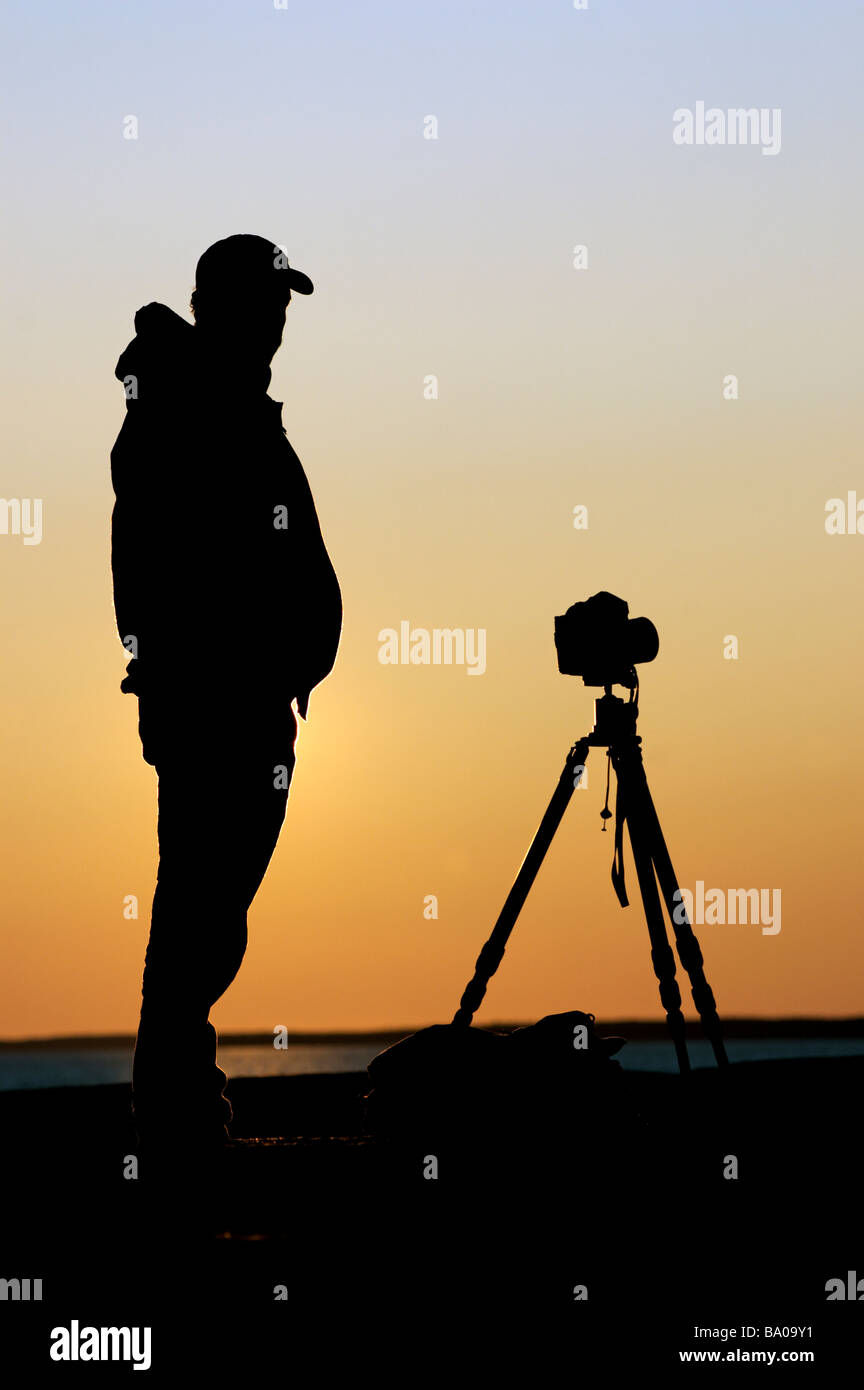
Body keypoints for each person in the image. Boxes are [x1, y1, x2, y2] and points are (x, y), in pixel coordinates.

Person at [110, 234, 342, 1149]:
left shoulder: (232, 404)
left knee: (209, 908)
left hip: (250, 704)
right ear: (217, 306)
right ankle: (172, 1111)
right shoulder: (185, 407)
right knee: (198, 907)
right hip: (216, 707)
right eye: (264, 301)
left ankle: (178, 1097)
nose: (279, 317)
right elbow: (163, 561)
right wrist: (201, 670)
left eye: (283, 302)